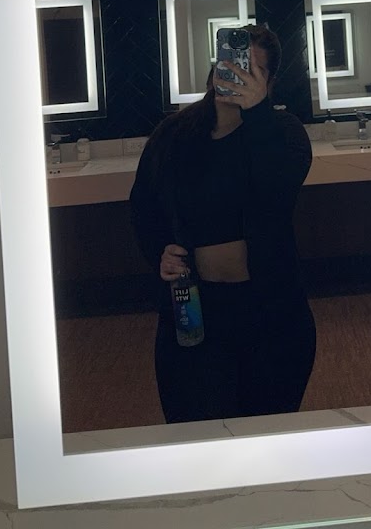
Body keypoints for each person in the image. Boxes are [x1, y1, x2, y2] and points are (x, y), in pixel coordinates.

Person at [129, 24, 316, 424]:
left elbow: (276, 191)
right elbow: (143, 207)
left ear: (270, 82)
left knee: (269, 432)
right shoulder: (174, 135)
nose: (237, 75)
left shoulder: (284, 133)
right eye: (231, 64)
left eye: (252, 70)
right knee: (197, 434)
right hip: (194, 311)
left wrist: (257, 113)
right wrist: (159, 251)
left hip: (271, 314)